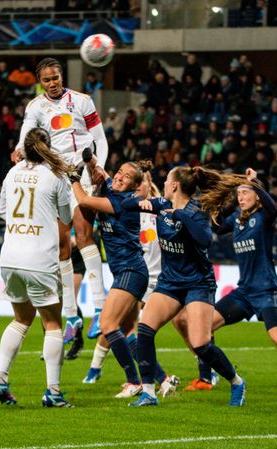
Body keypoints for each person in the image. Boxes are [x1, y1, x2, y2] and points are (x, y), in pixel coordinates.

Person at [174, 168, 277, 397]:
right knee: (204, 327)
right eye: (239, 193)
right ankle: (206, 378)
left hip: (266, 290)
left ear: (257, 195)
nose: (241, 197)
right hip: (244, 293)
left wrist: (255, 182)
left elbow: (274, 207)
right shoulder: (238, 219)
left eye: (246, 192)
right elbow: (217, 227)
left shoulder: (264, 217)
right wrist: (216, 196)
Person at [121, 166, 248, 407]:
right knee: (145, 330)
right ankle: (148, 392)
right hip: (170, 282)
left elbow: (205, 239)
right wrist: (142, 203)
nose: (165, 182)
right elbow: (125, 206)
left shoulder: (196, 210)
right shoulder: (160, 204)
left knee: (200, 343)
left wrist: (181, 216)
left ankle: (236, 381)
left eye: (167, 179)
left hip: (198, 283)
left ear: (175, 185)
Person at [12, 57, 109, 346]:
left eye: (55, 78)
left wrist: (98, 166)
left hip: (82, 174)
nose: (52, 83)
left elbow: (99, 138)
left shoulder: (82, 101)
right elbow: (26, 134)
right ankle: (72, 315)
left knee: (84, 235)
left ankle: (100, 307)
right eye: (46, 80)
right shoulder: (35, 107)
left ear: (61, 77)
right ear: (40, 82)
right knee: (61, 246)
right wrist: (19, 148)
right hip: (55, 177)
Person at [72, 157, 179, 398]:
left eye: (126, 177)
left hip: (132, 271)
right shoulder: (114, 187)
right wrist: (90, 161)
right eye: (119, 172)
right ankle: (162, 379)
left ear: (134, 186)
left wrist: (73, 179)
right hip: (126, 271)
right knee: (129, 331)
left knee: (108, 325)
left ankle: (133, 381)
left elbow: (84, 200)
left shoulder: (124, 201)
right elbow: (103, 173)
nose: (119, 177)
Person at [0, 128, 75, 408]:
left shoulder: (11, 173)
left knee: (21, 319)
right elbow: (65, 216)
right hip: (40, 259)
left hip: (10, 257)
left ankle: (0, 379)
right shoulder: (55, 176)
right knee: (52, 324)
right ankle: (53, 391)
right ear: (48, 148)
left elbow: (3, 211)